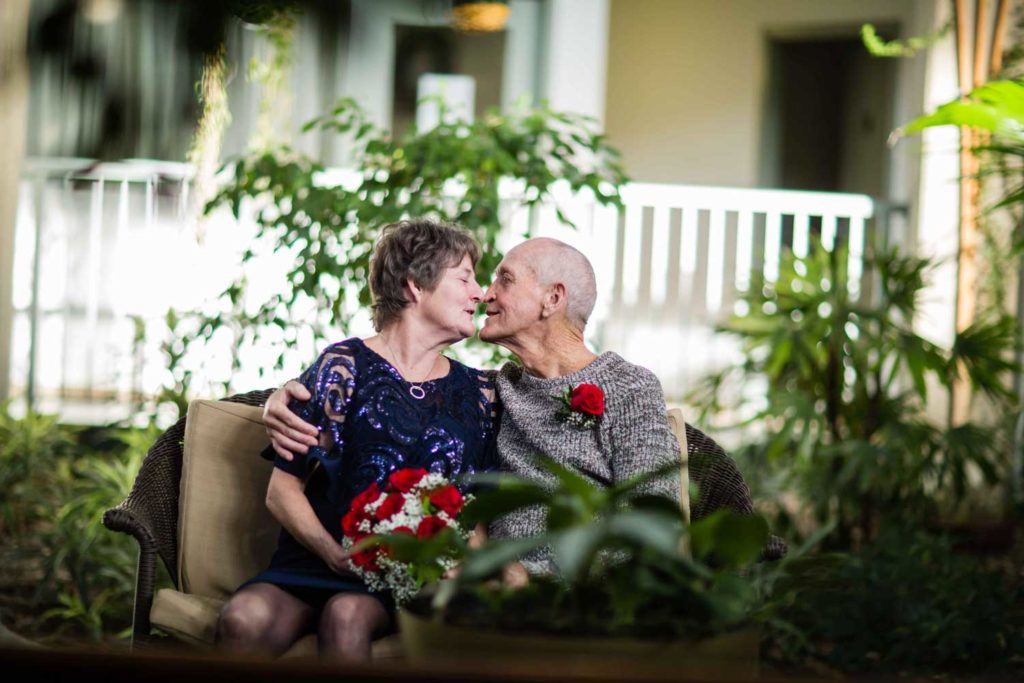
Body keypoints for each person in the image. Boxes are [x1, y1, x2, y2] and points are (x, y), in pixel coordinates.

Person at [216, 219, 499, 661]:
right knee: (242, 619)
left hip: (403, 578)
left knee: (346, 615)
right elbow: (282, 490)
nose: (480, 293)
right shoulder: (343, 368)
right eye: (465, 278)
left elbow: (476, 508)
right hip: (316, 562)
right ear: (415, 287)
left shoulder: (479, 393)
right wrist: (334, 555)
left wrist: (465, 573)